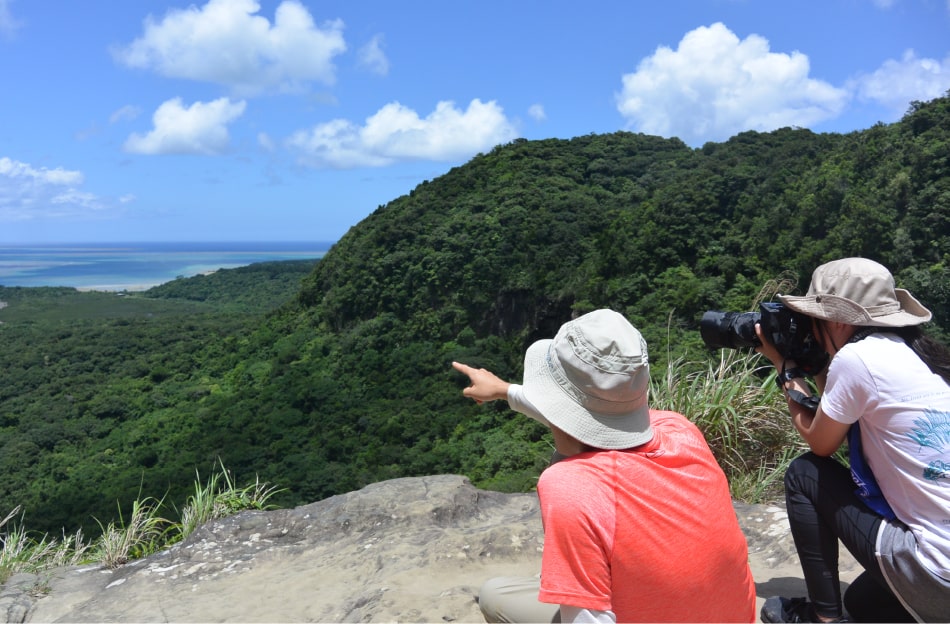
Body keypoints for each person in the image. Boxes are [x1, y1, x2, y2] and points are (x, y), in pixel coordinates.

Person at [452, 308, 756, 623]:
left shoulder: (572, 488)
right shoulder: (679, 430)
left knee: (494, 594)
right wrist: (506, 391)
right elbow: (591, 419)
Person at [755, 258, 950, 623]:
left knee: (805, 474)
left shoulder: (859, 358)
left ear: (838, 321)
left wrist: (786, 369)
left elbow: (821, 444)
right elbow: (840, 416)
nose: (810, 331)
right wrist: (818, 366)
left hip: (941, 576)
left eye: (814, 320)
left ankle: (824, 618)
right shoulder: (923, 357)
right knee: (863, 602)